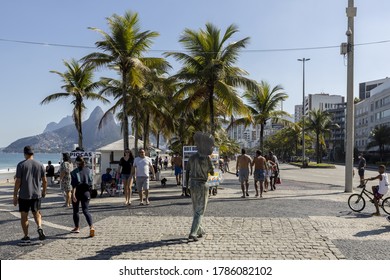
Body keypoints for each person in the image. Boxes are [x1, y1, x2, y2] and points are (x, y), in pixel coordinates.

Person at [13, 146, 47, 243]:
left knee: (24, 216)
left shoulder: (21, 165)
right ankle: (39, 226)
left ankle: (26, 236)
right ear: (33, 153)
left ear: (24, 153)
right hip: (36, 194)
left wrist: (15, 195)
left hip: (24, 195)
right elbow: (44, 181)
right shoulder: (40, 165)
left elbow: (18, 181)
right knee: (37, 213)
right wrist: (44, 191)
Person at [185, 131, 214, 242]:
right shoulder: (207, 159)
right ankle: (193, 233)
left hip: (192, 184)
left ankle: (199, 230)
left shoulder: (192, 158)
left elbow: (187, 171)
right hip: (202, 185)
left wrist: (186, 185)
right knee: (200, 211)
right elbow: (211, 173)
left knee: (195, 208)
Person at [70, 156, 95, 237]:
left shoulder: (74, 172)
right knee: (86, 210)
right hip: (86, 192)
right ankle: (91, 227)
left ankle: (77, 228)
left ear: (77, 162)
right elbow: (91, 182)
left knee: (76, 211)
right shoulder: (89, 170)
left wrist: (73, 195)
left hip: (77, 192)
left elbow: (74, 185)